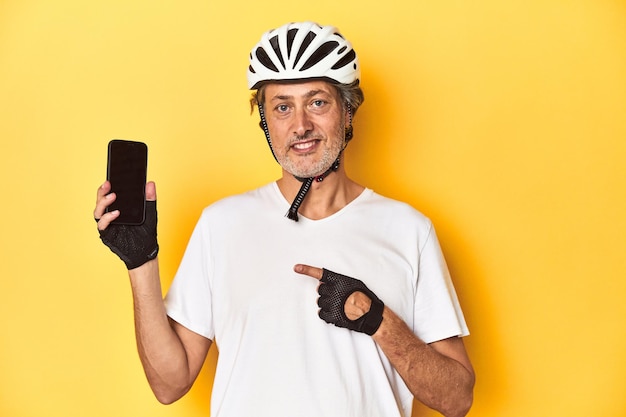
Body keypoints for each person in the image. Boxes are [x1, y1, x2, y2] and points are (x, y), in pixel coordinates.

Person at [94, 21, 475, 417]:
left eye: (317, 102)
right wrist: (141, 263)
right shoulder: (221, 225)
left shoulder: (408, 230)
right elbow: (169, 384)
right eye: (282, 107)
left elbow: (457, 400)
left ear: (347, 113)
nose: (300, 126)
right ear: (265, 120)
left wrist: (377, 319)